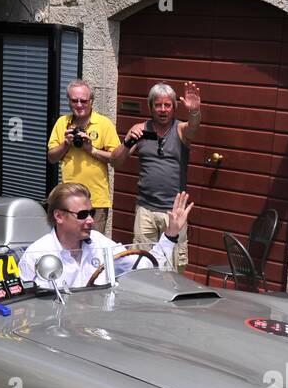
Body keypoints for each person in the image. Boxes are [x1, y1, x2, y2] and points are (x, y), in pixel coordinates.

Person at [19, 182, 191, 290]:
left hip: (100, 327)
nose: (90, 220)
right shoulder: (37, 254)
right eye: (82, 214)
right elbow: (22, 303)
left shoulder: (98, 242)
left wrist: (170, 234)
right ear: (58, 216)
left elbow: (145, 267)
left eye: (91, 212)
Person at [111, 81, 201, 270]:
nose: (162, 110)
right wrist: (128, 142)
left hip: (173, 211)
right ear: (151, 106)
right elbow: (115, 162)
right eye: (158, 105)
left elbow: (194, 127)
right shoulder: (140, 130)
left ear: (174, 107)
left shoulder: (181, 129)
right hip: (145, 210)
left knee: (173, 267)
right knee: (141, 265)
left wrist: (194, 112)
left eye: (167, 105)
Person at [47, 80, 121, 237]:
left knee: (93, 246)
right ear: (69, 101)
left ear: (91, 101)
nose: (79, 105)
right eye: (74, 100)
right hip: (68, 200)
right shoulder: (62, 123)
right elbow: (52, 158)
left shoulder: (104, 124)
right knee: (69, 244)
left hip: (96, 200)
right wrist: (65, 144)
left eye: (83, 101)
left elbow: (116, 159)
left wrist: (91, 149)